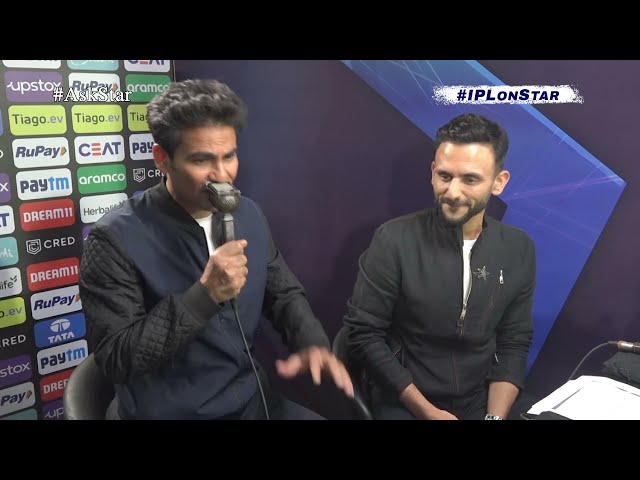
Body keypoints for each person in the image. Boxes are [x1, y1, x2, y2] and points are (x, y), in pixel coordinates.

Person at [79, 79, 353, 420]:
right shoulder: (113, 239)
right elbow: (117, 359)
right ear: (162, 159)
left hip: (252, 403)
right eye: (202, 160)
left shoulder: (248, 213)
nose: (222, 175)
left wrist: (310, 341)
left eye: (230, 156)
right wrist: (204, 296)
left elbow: (283, 292)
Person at [343, 113, 536, 420]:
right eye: (445, 176)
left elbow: (514, 341)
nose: (453, 192)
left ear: (498, 182)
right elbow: (363, 335)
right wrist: (428, 413)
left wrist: (494, 418)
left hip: (480, 399)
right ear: (433, 172)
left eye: (470, 179)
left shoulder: (518, 248)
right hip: (407, 398)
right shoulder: (394, 239)